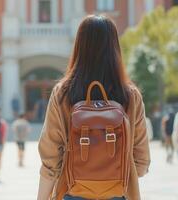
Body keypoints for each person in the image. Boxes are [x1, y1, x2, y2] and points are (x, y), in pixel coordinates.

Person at [37, 15, 150, 200]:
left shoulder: (63, 93)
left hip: (72, 192)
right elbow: (142, 163)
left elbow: (50, 159)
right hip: (118, 194)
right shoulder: (130, 96)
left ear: (79, 46)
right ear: (115, 48)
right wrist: (111, 173)